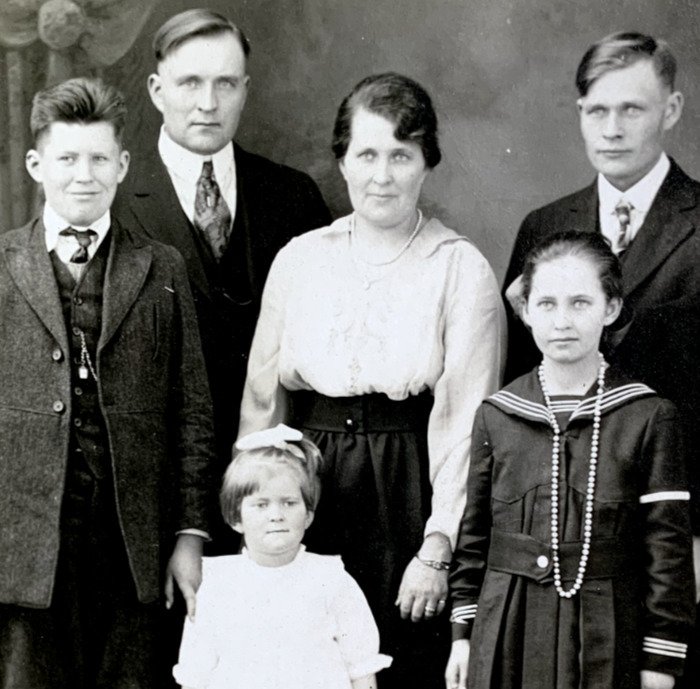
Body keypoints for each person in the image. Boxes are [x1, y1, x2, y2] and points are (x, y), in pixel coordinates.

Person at [239, 72, 505, 688]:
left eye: (400, 156)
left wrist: (438, 546)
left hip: (407, 486)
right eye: (366, 154)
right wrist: (260, 516)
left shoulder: (460, 267)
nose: (381, 175)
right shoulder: (300, 258)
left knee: (398, 662)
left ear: (426, 164)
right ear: (342, 161)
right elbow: (261, 403)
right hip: (308, 483)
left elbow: (468, 427)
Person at [0, 77, 216, 689]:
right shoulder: (1, 267)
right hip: (22, 551)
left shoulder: (161, 268)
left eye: (99, 159)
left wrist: (190, 536)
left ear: (122, 165)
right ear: (37, 164)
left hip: (132, 547)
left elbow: (193, 413)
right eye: (67, 158)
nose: (83, 175)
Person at [501, 33, 700, 683]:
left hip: (674, 522)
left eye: (632, 110)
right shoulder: (545, 226)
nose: (611, 129)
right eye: (596, 111)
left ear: (671, 109)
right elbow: (518, 389)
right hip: (561, 532)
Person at [113, 9, 331, 549]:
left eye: (225, 84)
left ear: (245, 89)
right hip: (153, 491)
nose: (208, 104)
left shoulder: (294, 196)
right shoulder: (113, 199)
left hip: (274, 493)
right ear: (157, 90)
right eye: (190, 83)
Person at [446, 231, 695, 689]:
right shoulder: (498, 414)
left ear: (612, 308)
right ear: (525, 311)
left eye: (580, 303)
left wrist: (660, 661)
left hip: (606, 627)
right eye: (546, 304)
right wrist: (464, 635)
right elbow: (474, 536)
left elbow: (668, 551)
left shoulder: (647, 415)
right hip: (507, 624)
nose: (562, 321)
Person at [173, 424, 392, 689]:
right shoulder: (219, 583)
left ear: (308, 515)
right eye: (261, 505)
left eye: (289, 503)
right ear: (235, 518)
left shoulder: (330, 578)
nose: (276, 515)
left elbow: (361, 663)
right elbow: (197, 671)